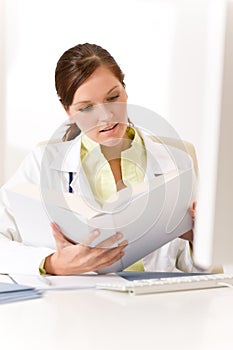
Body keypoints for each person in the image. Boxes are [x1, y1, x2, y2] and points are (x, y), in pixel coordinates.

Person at [0, 43, 197, 276]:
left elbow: (201, 268)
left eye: (113, 97)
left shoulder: (176, 160)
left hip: (161, 301)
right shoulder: (42, 162)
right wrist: (52, 263)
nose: (106, 117)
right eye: (86, 108)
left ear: (125, 90)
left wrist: (198, 239)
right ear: (68, 111)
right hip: (80, 304)